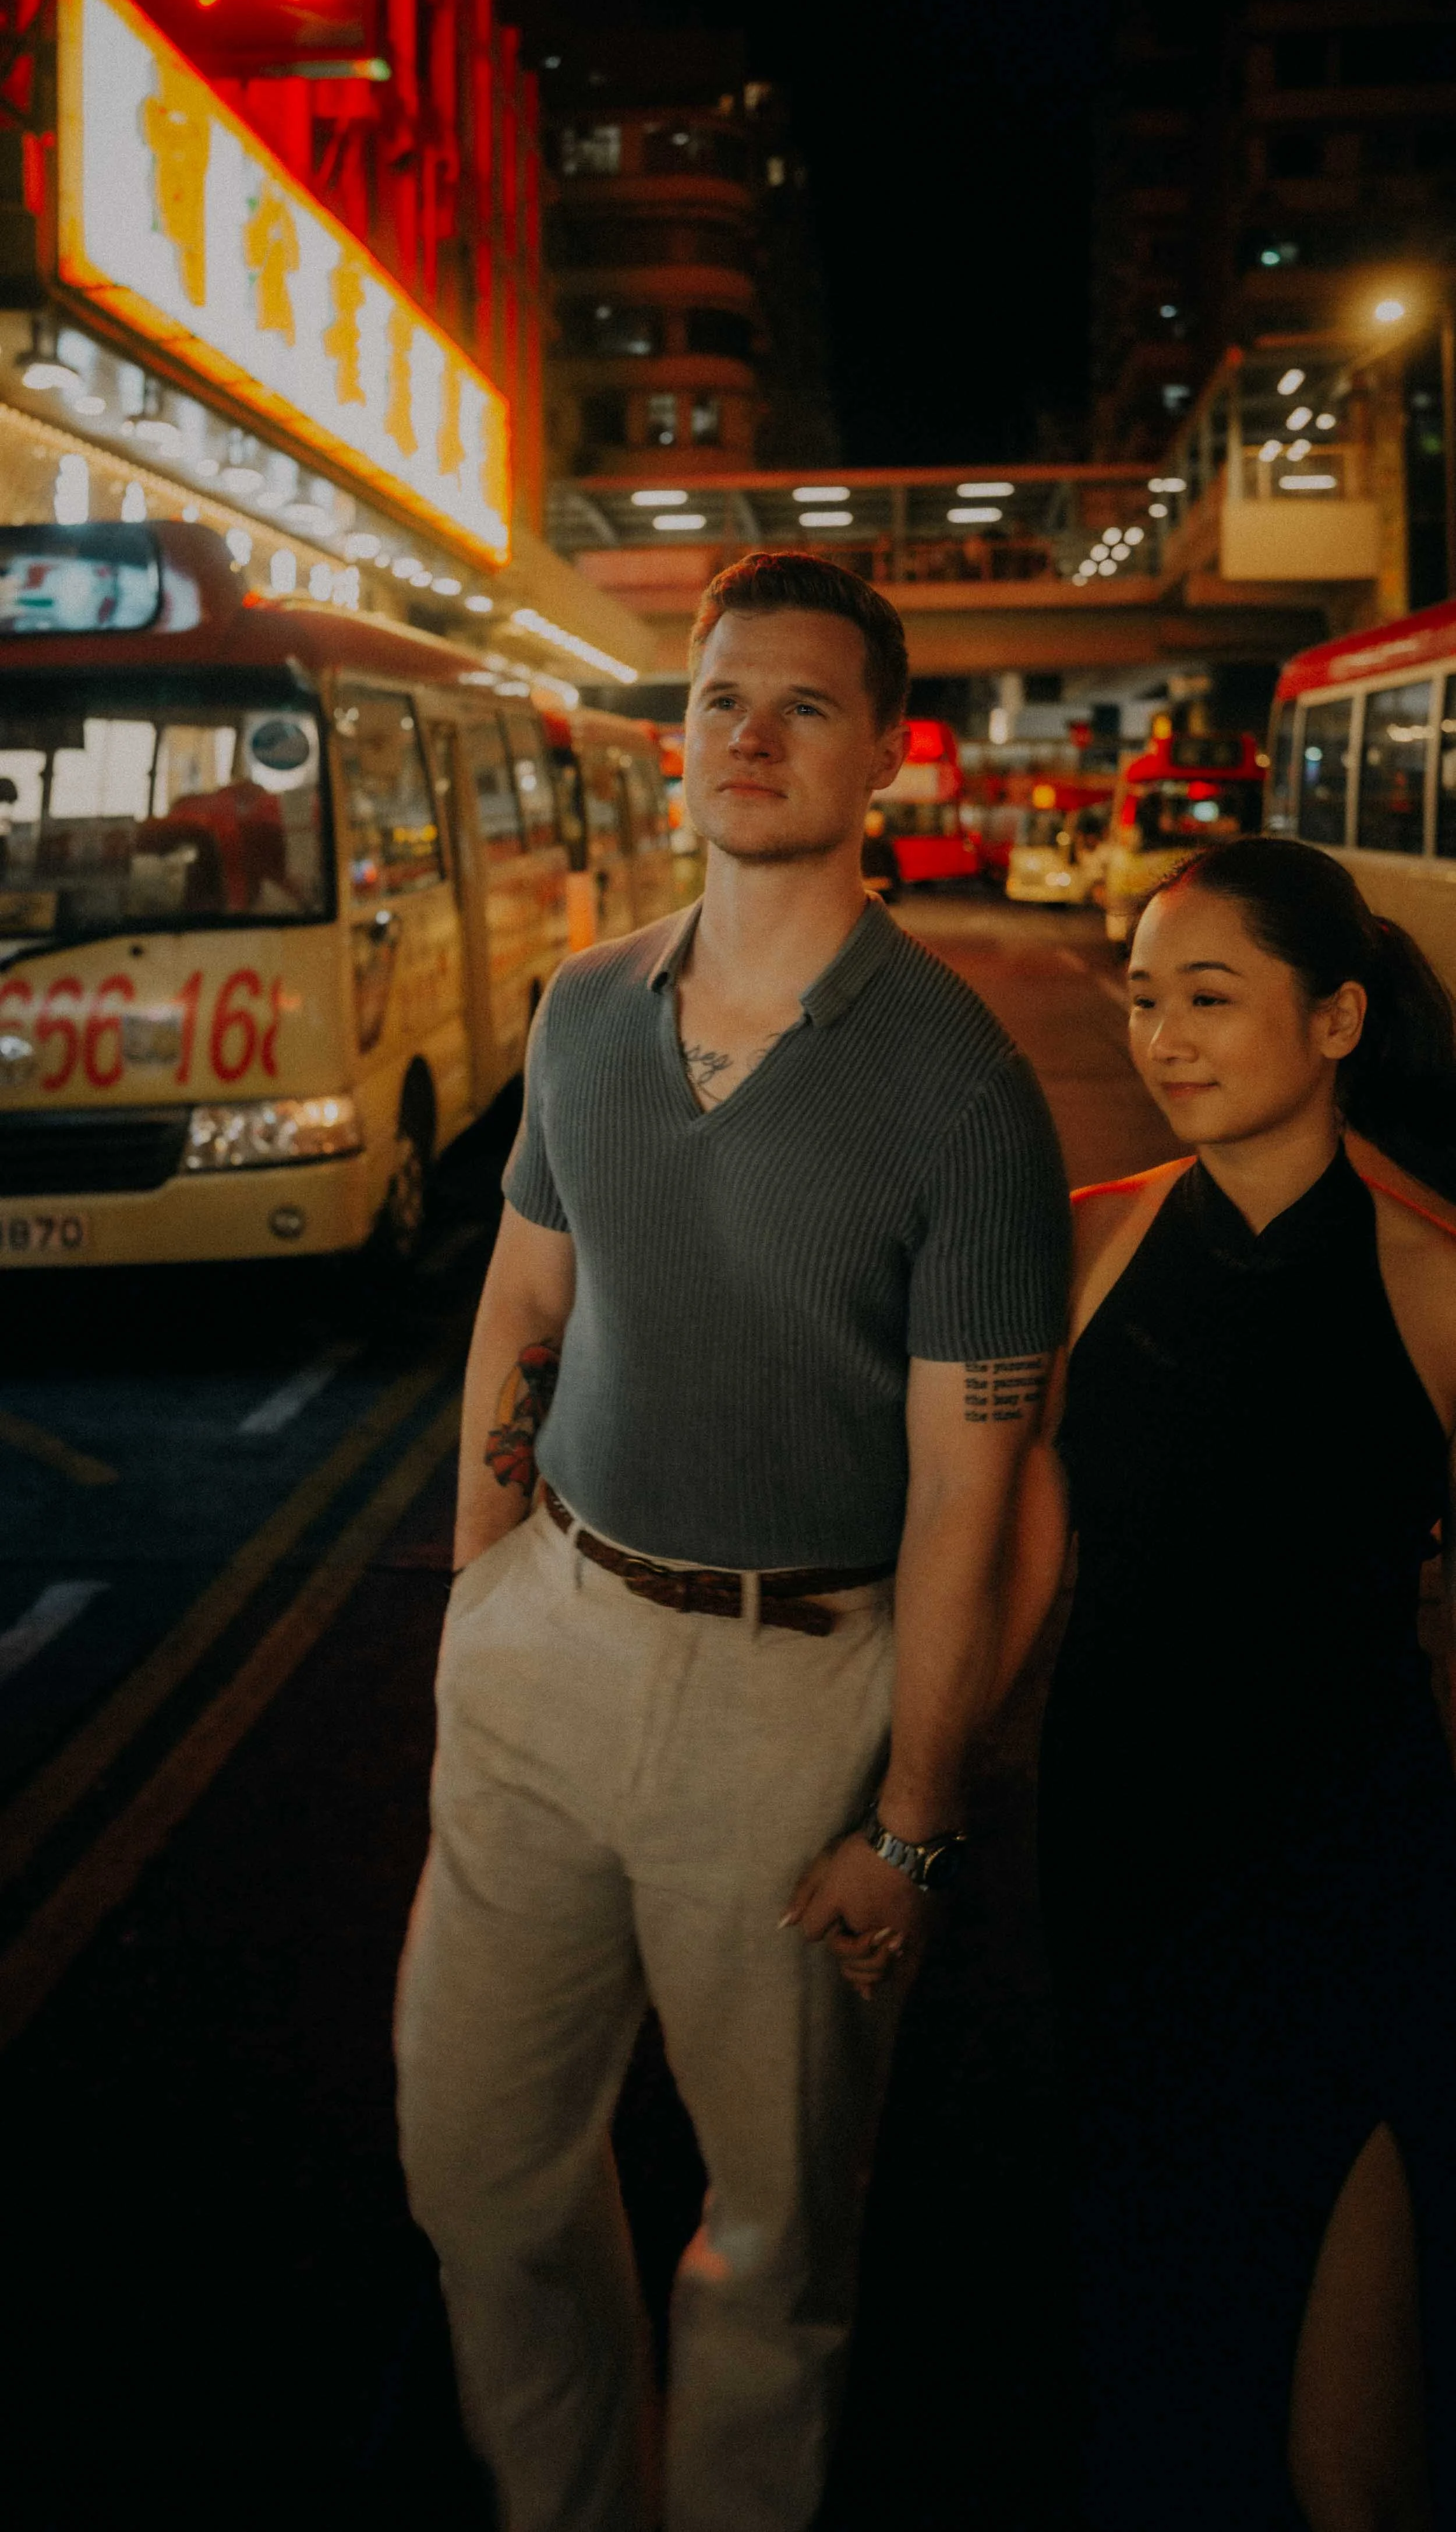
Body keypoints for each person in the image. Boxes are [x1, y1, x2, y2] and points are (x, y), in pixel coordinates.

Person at [395, 551, 1070, 2532]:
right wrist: (478, 1601)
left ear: (876, 750)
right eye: (717, 701)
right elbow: (521, 1310)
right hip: (547, 1645)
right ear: (677, 728)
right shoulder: (585, 1009)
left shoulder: (958, 1094)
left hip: (797, 1700)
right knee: (475, 2172)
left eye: (799, 705)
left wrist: (919, 1812)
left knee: (773, 2240)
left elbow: (978, 1480)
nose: (746, 737)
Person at [1022, 836, 1456, 2530]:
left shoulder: (1434, 1280)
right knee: (1152, 2359)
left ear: (1335, 1015)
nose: (1163, 1038)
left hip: (1349, 1866)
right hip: (1119, 1847)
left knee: (1345, 2458)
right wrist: (902, 1820)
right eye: (1142, 1001)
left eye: (1210, 996)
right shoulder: (1088, 1248)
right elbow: (1012, 1567)